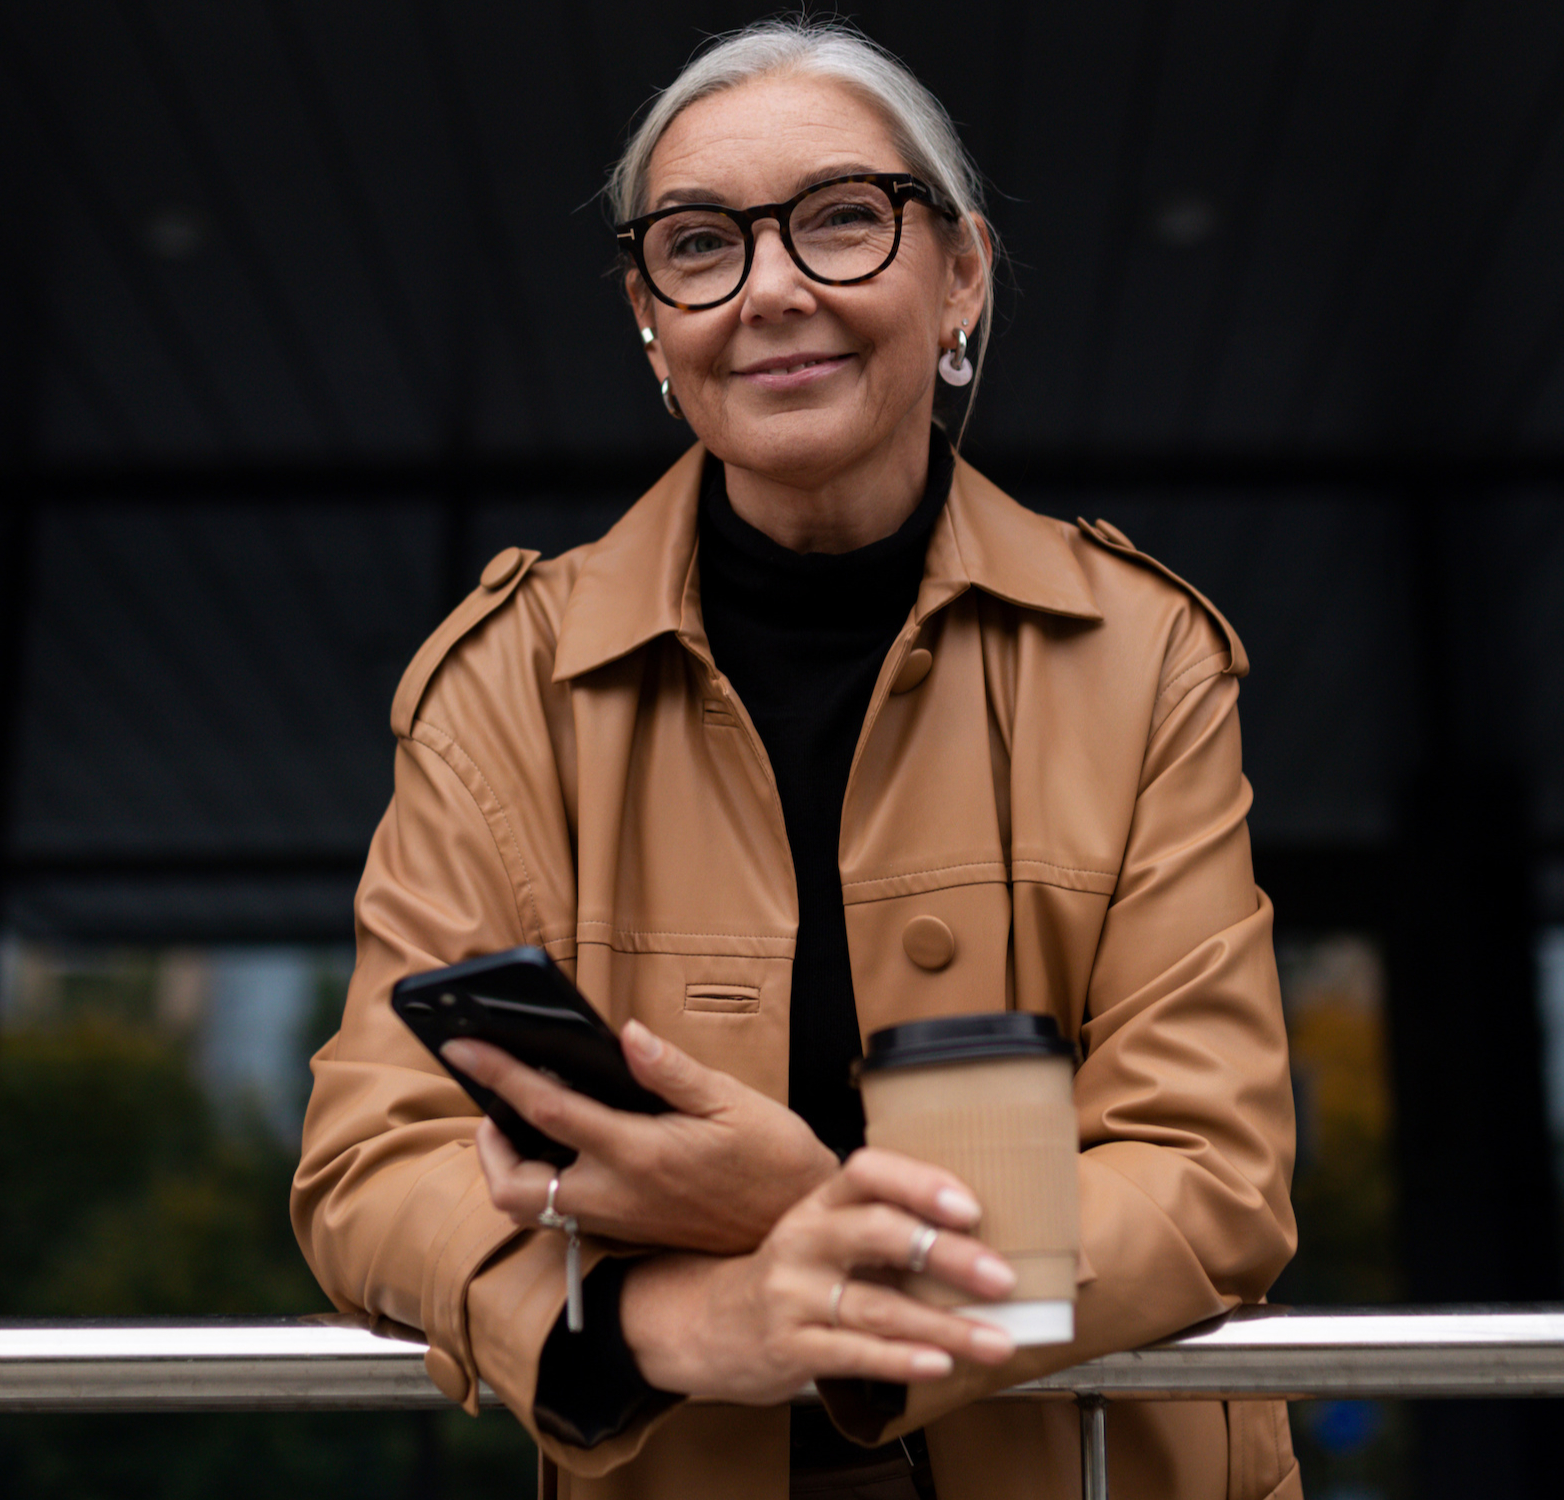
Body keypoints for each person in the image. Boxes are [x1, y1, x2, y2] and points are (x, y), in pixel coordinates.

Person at [290, 17, 1300, 1500]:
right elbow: (373, 1167)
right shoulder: (505, 680)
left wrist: (812, 1221)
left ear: (960, 274)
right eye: (699, 247)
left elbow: (1207, 1176)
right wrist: (679, 1319)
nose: (770, 291)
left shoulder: (1139, 655)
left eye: (841, 221)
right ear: (650, 317)